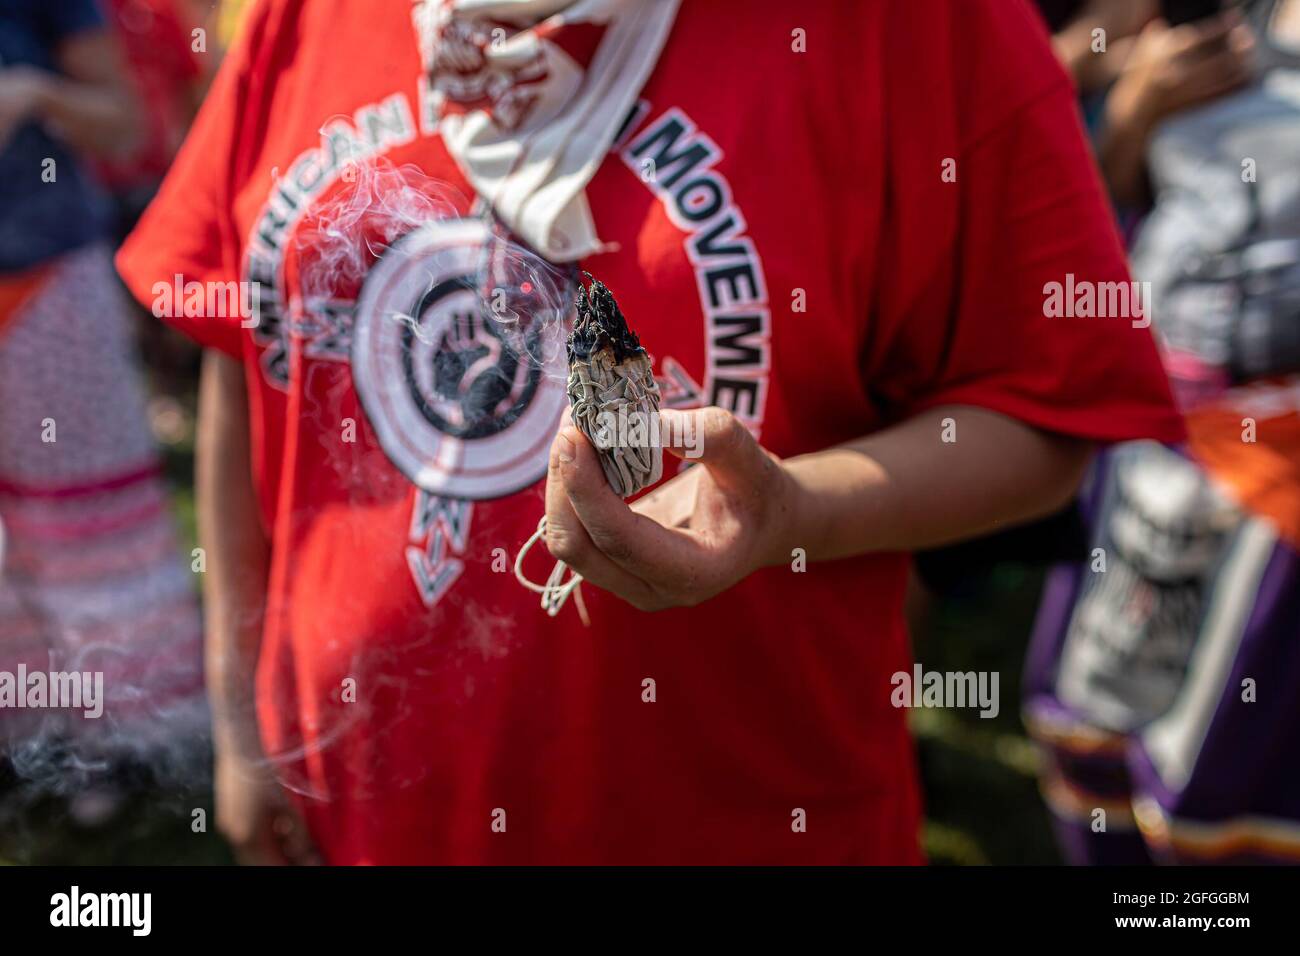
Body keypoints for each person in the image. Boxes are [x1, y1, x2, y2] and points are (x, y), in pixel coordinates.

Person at [118, 0, 1183, 865]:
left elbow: (1044, 414)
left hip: (733, 819)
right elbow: (243, 343)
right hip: (355, 815)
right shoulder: (302, 13)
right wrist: (242, 719)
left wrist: (792, 511)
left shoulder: (912, 25)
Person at [1025, 0, 1300, 864]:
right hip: (1151, 459)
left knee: (1229, 778)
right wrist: (1134, 114)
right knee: (1101, 722)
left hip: (1282, 517)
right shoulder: (1212, 20)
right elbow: (1102, 219)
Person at [0, 1, 205, 801]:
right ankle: (28, 741)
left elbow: (122, 124)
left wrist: (32, 94)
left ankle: (123, 744)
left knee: (82, 524)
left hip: (48, 281)